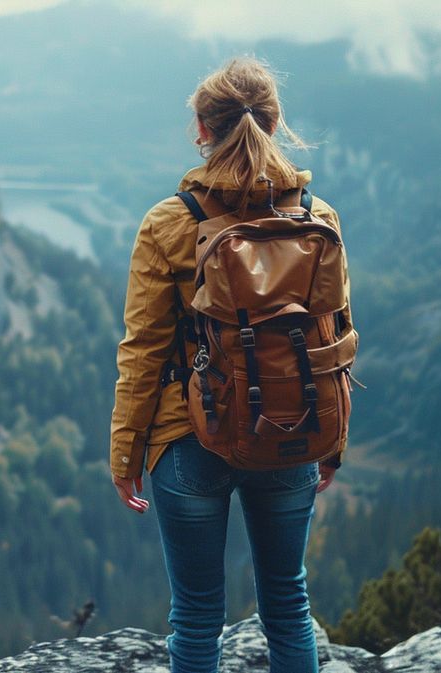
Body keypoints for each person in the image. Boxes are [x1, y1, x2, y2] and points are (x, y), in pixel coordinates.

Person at [108, 56, 350, 673]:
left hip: (190, 438)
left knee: (195, 618)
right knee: (288, 603)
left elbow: (143, 349)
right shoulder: (317, 218)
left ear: (200, 130)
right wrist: (332, 441)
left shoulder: (169, 222)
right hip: (293, 428)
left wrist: (126, 454)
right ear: (275, 124)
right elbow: (336, 335)